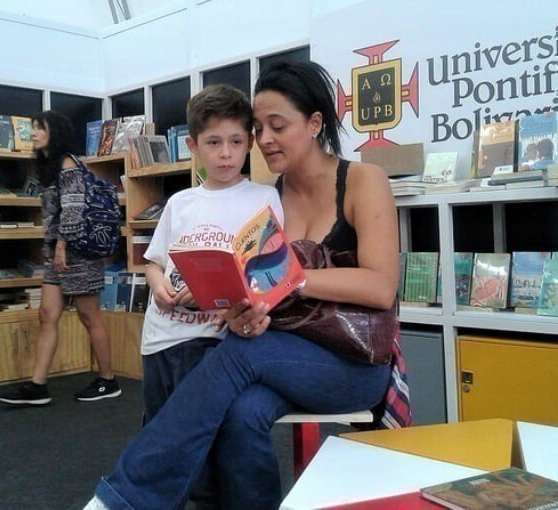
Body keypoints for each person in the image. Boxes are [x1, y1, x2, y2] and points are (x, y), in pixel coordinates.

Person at [85, 61, 406, 510]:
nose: (264, 139)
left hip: (351, 362)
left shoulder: (361, 180)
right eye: (258, 127)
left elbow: (380, 286)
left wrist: (286, 278)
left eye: (278, 126)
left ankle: (124, 497)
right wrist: (244, 312)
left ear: (314, 123)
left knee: (235, 356)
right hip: (281, 351)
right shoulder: (269, 195)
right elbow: (260, 293)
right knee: (241, 411)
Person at [140, 84, 283, 508]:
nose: (225, 154)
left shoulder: (264, 197)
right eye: (214, 143)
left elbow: (270, 272)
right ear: (193, 145)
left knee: (207, 442)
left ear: (250, 143)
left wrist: (224, 295)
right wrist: (156, 283)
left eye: (236, 142)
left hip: (211, 341)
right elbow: (153, 261)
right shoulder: (180, 203)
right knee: (161, 436)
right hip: (159, 338)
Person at [0, 111, 120, 406]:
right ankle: (38, 385)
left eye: (39, 128)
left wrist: (63, 246)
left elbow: (74, 210)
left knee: (90, 317)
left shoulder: (68, 165)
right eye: (33, 129)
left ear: (55, 131)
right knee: (47, 315)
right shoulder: (51, 167)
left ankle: (108, 380)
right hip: (57, 253)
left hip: (76, 253)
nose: (34, 133)